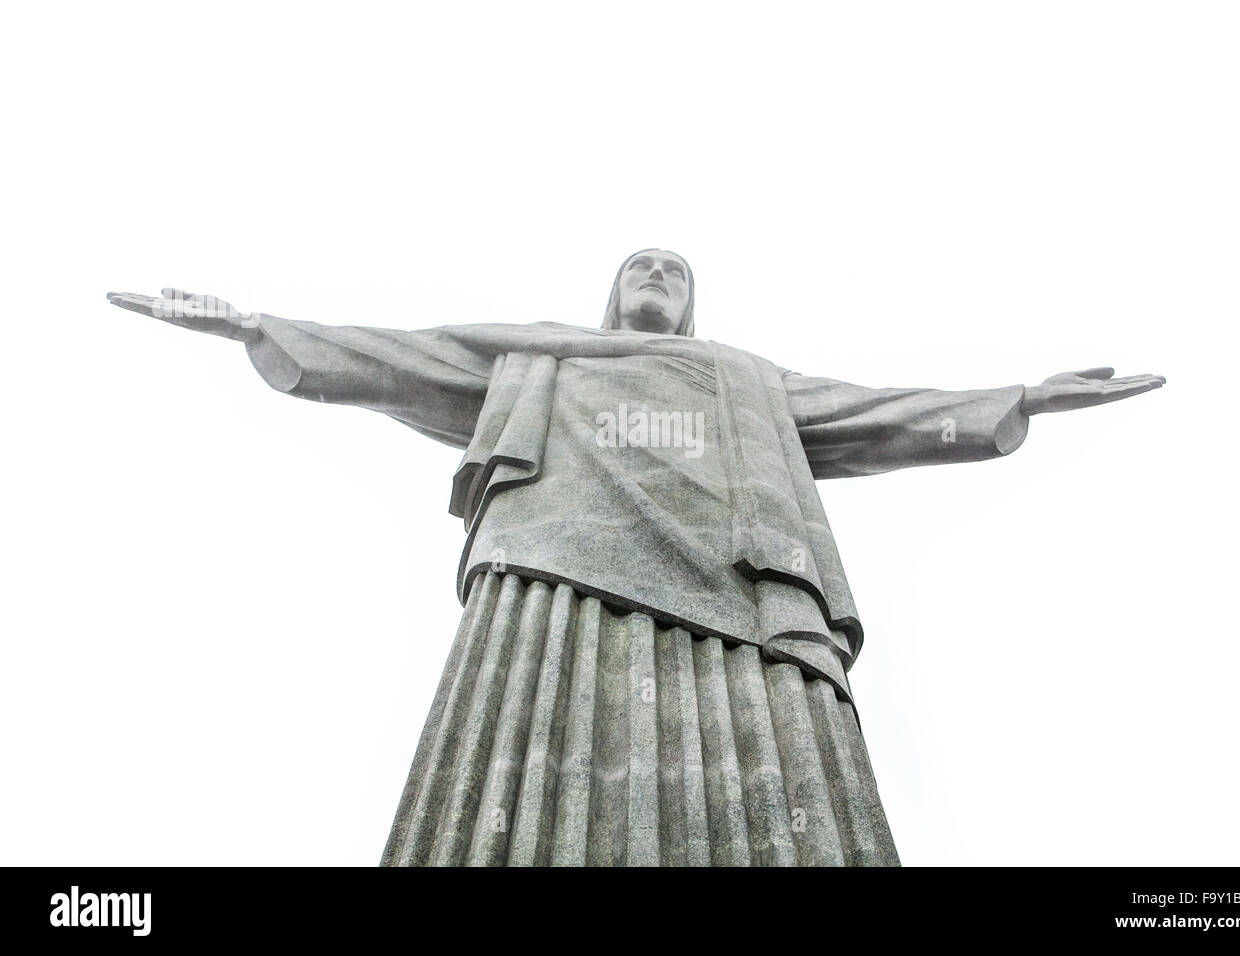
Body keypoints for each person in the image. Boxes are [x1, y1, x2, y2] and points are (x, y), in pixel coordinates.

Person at [106, 250, 1163, 866]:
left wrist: (1014, 400)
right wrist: (254, 324)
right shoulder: (539, 354)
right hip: (551, 573)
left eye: (673, 268)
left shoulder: (740, 378)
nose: (655, 274)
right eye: (639, 264)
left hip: (743, 590)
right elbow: (400, 354)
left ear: (690, 302)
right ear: (613, 293)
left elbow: (873, 411)